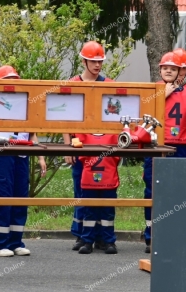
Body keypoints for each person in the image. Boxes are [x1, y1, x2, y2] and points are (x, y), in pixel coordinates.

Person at [0, 32, 47, 257]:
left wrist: (39, 157)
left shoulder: (25, 102)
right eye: (7, 81)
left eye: (14, 80)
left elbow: (32, 132)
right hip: (1, 154)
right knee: (3, 196)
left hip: (21, 154)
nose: (12, 85)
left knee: (20, 197)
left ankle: (15, 241)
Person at [141, 52, 186, 253]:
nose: (168, 70)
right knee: (153, 190)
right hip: (156, 146)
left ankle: (178, 234)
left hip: (181, 146)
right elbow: (143, 117)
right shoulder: (153, 90)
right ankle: (152, 235)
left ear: (180, 72)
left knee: (181, 192)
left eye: (173, 68)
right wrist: (163, 94)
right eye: (165, 67)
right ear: (159, 70)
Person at [62, 41, 115, 251]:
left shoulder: (109, 84)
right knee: (82, 191)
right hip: (80, 146)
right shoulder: (72, 84)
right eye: (93, 61)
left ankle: (102, 236)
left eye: (100, 61)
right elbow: (65, 118)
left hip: (104, 146)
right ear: (83, 61)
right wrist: (68, 147)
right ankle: (83, 235)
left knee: (105, 191)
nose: (97, 65)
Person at [76, 133, 120, 254]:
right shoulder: (84, 134)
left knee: (108, 212)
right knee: (89, 211)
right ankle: (87, 241)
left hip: (106, 180)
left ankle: (108, 241)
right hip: (94, 180)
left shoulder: (114, 133)